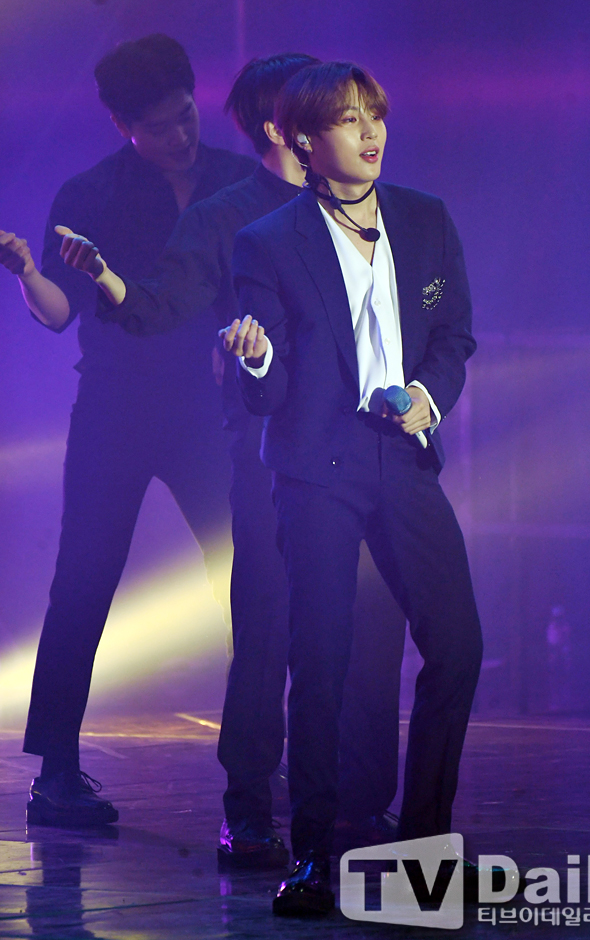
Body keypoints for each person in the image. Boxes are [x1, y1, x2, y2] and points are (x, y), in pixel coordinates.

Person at [56, 54, 406, 866]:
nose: (345, 121)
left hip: (364, 449)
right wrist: (104, 276)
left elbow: (412, 307)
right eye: (326, 108)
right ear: (282, 126)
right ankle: (247, 809)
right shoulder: (227, 216)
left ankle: (360, 804)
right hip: (271, 455)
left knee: (373, 626)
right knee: (266, 625)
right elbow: (156, 305)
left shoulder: (364, 203)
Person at [223, 61, 483, 915]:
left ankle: (424, 849)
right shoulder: (268, 241)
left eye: (375, 113)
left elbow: (453, 335)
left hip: (402, 458)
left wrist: (429, 395)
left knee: (458, 647)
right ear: (304, 139)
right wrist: (257, 356)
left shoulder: (425, 217)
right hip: (317, 469)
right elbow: (268, 390)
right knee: (322, 661)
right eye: (347, 118)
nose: (369, 132)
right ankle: (313, 855)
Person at [0, 34, 255, 828]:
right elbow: (57, 313)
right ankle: (56, 774)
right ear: (123, 126)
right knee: (83, 579)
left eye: (187, 116)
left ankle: (259, 757)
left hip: (209, 409)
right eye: (159, 126)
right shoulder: (89, 193)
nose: (180, 135)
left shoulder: (240, 182)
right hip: (115, 408)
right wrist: (27, 272)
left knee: (248, 576)